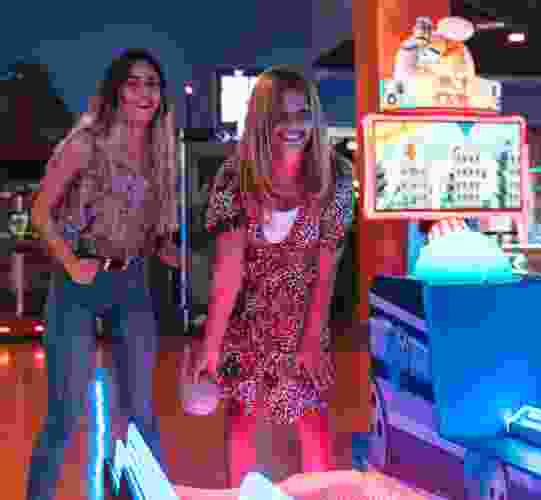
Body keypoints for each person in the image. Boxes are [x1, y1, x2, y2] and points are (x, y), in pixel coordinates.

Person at [27, 48, 179, 500]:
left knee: (140, 412)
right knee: (66, 410)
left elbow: (144, 223)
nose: (144, 92)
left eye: (152, 83)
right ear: (116, 90)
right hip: (78, 281)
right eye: (133, 82)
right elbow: (39, 213)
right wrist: (72, 264)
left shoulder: (160, 151)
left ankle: (140, 495)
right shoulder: (85, 142)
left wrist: (163, 249)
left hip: (131, 282)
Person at [191, 66, 354, 486]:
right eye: (280, 115)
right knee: (242, 415)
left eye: (302, 114)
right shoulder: (235, 175)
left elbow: (327, 267)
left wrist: (312, 339)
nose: (293, 126)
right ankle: (240, 495)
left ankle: (318, 495)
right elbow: (228, 270)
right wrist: (210, 346)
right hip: (249, 314)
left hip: (304, 315)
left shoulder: (335, 174)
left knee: (311, 414)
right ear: (262, 120)